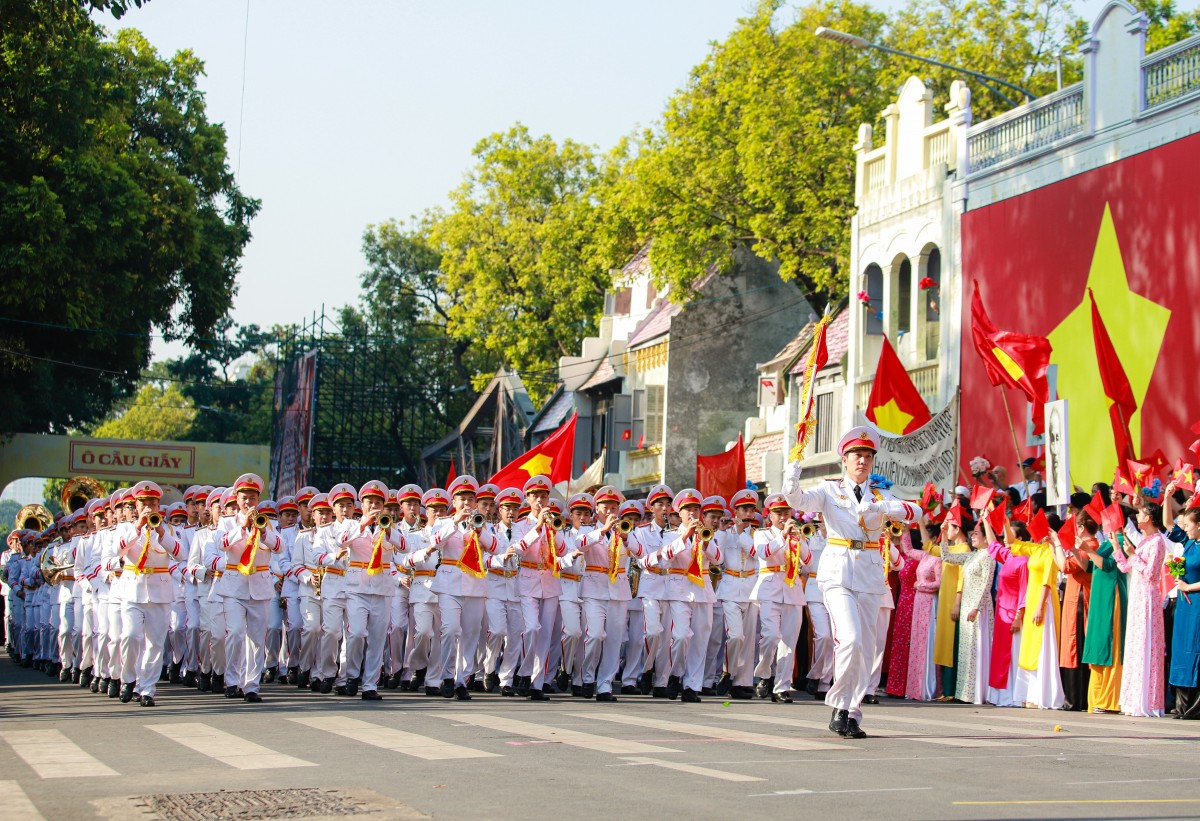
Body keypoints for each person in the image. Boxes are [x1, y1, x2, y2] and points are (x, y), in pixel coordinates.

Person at [782, 425, 919, 738]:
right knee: (852, 639)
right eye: (857, 455)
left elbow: (916, 511)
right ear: (844, 459)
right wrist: (792, 474)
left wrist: (882, 507)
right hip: (838, 574)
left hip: (870, 576)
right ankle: (839, 703)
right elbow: (798, 500)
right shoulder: (830, 490)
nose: (863, 461)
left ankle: (852, 711)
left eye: (868, 456)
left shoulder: (880, 494)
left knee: (867, 649)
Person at [214, 473, 283, 702]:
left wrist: (262, 532)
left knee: (256, 638)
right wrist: (242, 528)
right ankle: (232, 680)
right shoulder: (226, 522)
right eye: (244, 498)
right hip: (234, 584)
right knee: (234, 633)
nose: (248, 502)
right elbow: (221, 544)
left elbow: (280, 547)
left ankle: (251, 685)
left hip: (260, 585)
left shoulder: (268, 522)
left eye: (252, 498)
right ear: (237, 498)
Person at [750, 494, 810, 703]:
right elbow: (764, 553)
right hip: (769, 589)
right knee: (771, 636)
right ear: (770, 516)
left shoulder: (797, 535)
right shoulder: (762, 534)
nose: (783, 517)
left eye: (786, 513)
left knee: (789, 642)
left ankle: (781, 687)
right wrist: (783, 536)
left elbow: (809, 560)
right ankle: (765, 673)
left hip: (792, 590)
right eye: (779, 513)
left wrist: (800, 539)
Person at [1110, 498, 1166, 717]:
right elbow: (1126, 567)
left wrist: (1133, 555)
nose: (1137, 517)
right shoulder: (1143, 542)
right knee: (1135, 645)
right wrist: (1117, 548)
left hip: (1148, 598)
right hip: (1136, 596)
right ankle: (1133, 698)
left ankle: (1148, 701)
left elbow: (1151, 574)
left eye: (1141, 514)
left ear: (1149, 518)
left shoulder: (1157, 542)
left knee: (1146, 644)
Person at [938, 522, 995, 705]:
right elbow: (946, 556)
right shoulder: (971, 556)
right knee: (965, 650)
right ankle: (965, 693)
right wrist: (944, 535)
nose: (973, 536)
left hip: (979, 608)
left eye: (977, 534)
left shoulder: (988, 556)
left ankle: (978, 692)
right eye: (972, 534)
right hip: (967, 607)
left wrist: (977, 607)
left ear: (987, 538)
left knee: (976, 649)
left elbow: (987, 583)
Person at [1164, 486, 1200, 719]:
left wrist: (1189, 586)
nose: (1184, 528)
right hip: (1185, 606)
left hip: (1197, 604)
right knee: (1181, 651)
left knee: (1195, 649)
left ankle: (1196, 707)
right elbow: (1168, 524)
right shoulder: (1188, 543)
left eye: (1188, 525)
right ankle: (1182, 704)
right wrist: (1167, 497)